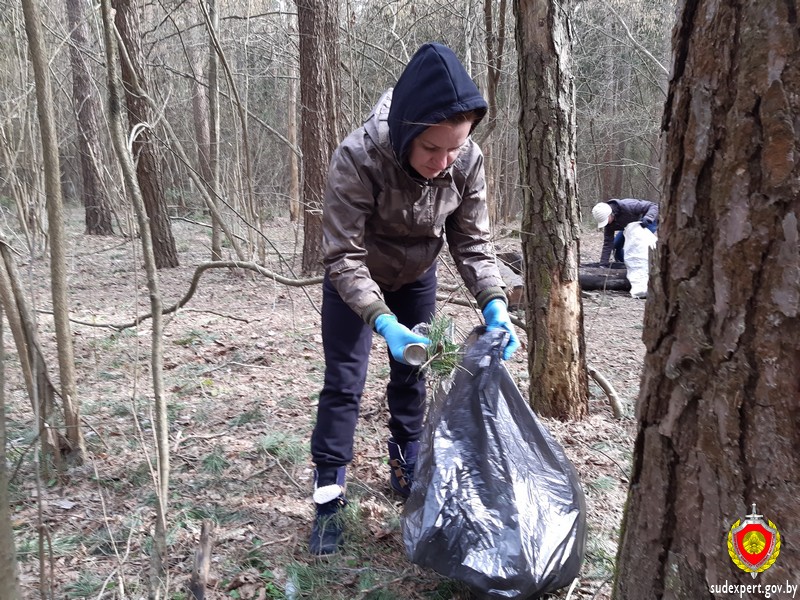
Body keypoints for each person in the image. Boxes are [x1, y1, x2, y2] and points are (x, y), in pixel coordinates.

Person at [309, 42, 520, 555]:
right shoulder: (358, 157)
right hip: (354, 283)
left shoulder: (465, 159)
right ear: (407, 131)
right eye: (431, 149)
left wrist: (493, 300)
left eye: (454, 148)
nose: (443, 160)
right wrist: (380, 320)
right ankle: (328, 499)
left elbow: (472, 240)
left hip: (417, 277)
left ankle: (406, 464)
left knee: (413, 376)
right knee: (345, 382)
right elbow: (342, 255)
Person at [592, 198, 659, 266]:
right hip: (629, 227)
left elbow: (653, 206)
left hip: (648, 221)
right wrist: (603, 264)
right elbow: (608, 243)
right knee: (616, 245)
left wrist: (648, 218)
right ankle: (625, 265)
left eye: (606, 220)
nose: (606, 223)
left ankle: (642, 266)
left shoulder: (628, 205)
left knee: (636, 245)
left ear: (610, 214)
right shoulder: (608, 224)